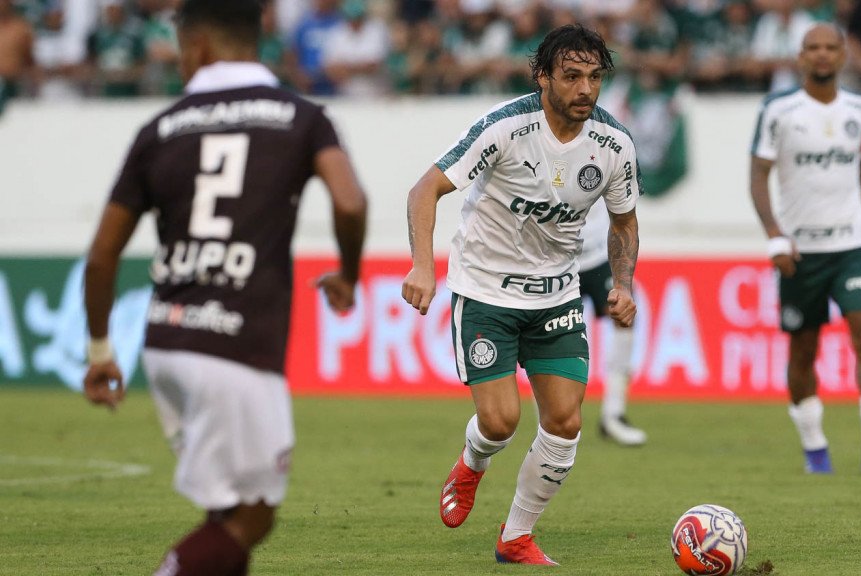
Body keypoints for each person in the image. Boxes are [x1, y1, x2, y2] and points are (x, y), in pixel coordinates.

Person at [81, 1, 368, 574]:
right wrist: (348, 274)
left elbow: (101, 256)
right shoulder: (302, 116)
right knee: (253, 515)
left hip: (166, 341)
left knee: (226, 506)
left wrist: (99, 352)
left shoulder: (159, 129)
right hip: (236, 347)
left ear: (199, 46)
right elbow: (350, 201)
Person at [401, 24, 642, 565]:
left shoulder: (614, 144)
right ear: (542, 77)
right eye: (572, 76)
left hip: (556, 294)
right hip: (485, 291)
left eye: (594, 78)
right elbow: (425, 189)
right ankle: (473, 462)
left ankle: (516, 536)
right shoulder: (505, 128)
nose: (585, 89)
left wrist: (623, 284)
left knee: (566, 423)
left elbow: (624, 223)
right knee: (500, 422)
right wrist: (423, 265)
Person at [749, 23, 861, 475]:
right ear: (800, 56)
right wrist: (775, 234)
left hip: (852, 244)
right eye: (813, 47)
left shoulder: (859, 108)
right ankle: (815, 449)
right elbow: (758, 175)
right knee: (803, 350)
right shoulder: (778, 110)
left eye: (830, 47)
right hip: (801, 253)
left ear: (843, 55)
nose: (821, 54)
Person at [579, 197, 647, 446]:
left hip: (600, 252)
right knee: (544, 329)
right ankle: (547, 421)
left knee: (624, 316)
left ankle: (614, 414)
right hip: (555, 258)